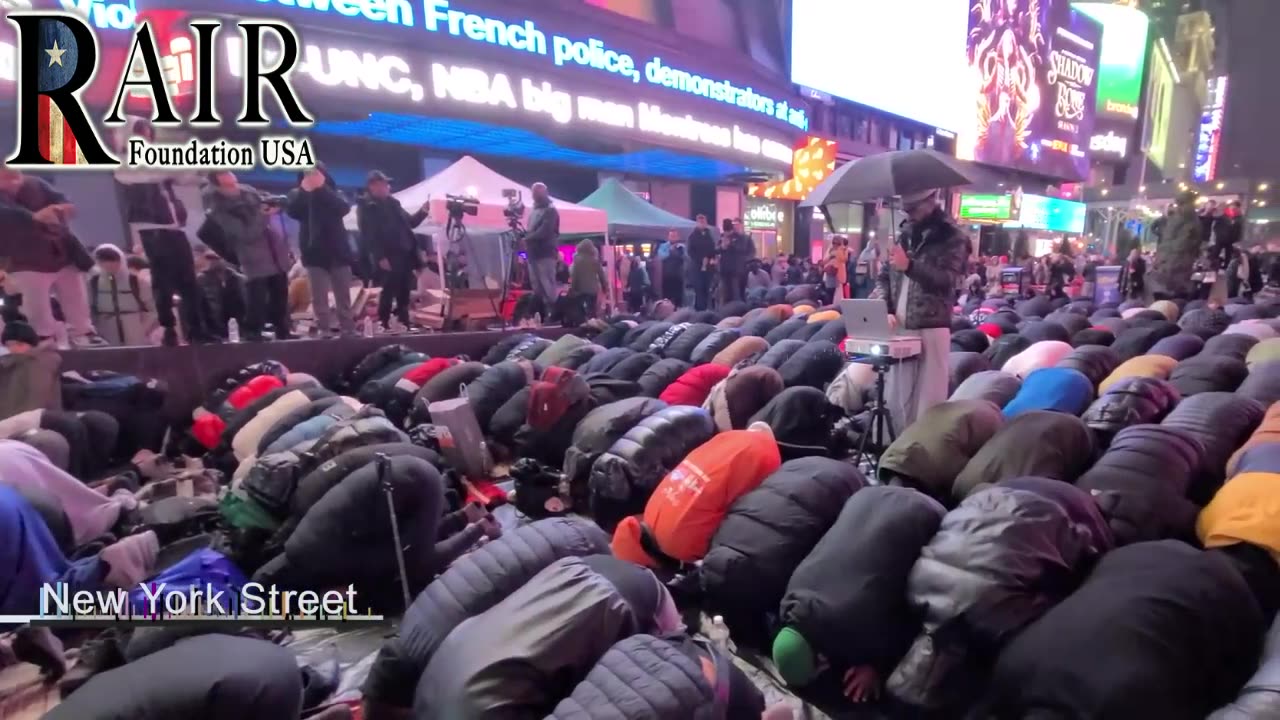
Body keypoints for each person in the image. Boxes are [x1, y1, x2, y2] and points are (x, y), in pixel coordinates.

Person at [113, 117, 213, 346]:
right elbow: (154, 174)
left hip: (173, 225)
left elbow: (181, 177)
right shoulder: (125, 162)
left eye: (148, 132)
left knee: (188, 280)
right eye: (142, 132)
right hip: (152, 227)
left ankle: (196, 329)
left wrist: (201, 173)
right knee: (163, 281)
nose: (147, 136)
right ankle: (169, 329)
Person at [877, 188, 969, 431]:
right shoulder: (904, 234)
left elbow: (950, 281)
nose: (910, 215)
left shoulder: (953, 237)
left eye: (914, 209)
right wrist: (884, 307)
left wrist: (911, 266)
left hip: (932, 325)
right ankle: (895, 447)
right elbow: (885, 277)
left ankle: (922, 452)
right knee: (897, 396)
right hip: (900, 323)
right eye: (906, 210)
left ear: (931, 200)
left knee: (929, 401)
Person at [0, 166, 104, 347]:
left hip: (61, 253)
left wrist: (59, 209)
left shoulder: (35, 183)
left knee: (76, 299)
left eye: (15, 176)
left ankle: (84, 332)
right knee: (36, 308)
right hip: (24, 261)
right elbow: (7, 216)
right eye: (5, 178)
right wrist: (35, 217)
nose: (13, 182)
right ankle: (43, 338)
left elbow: (66, 204)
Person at [201, 171, 292, 341]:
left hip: (274, 249)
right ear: (217, 180)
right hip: (252, 254)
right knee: (256, 296)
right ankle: (253, 333)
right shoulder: (218, 206)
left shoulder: (247, 190)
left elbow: (262, 200)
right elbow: (245, 233)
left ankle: (283, 329)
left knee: (280, 293)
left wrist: (272, 202)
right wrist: (263, 215)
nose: (229, 174)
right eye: (223, 172)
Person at [357, 170, 429, 333]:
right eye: (382, 184)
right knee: (388, 290)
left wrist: (423, 211)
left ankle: (403, 322)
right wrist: (380, 256)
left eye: (387, 184)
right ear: (372, 186)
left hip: (405, 253)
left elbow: (410, 222)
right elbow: (369, 234)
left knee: (404, 290)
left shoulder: (394, 204)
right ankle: (384, 322)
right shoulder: (367, 206)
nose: (386, 187)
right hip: (387, 255)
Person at [288, 164, 354, 337]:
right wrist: (306, 190)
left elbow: (343, 208)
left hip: (338, 252)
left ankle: (348, 329)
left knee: (343, 296)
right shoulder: (298, 194)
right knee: (319, 297)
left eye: (316, 172)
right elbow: (293, 211)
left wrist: (321, 189)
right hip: (313, 253)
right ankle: (324, 329)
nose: (312, 176)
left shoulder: (334, 193)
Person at [88, 244, 154, 346]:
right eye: (103, 261)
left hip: (135, 335)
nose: (109, 266)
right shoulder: (93, 283)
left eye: (114, 261)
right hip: (105, 335)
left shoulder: (136, 282)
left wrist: (143, 329)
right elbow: (88, 310)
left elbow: (152, 309)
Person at [524, 182, 562, 311]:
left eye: (537, 192)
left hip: (545, 253)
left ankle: (553, 312)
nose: (534, 195)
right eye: (534, 192)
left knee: (547, 285)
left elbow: (545, 231)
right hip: (534, 254)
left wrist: (527, 238)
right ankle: (541, 312)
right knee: (537, 286)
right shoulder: (534, 211)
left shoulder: (550, 211)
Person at [197, 249, 246, 337]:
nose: (213, 262)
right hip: (213, 327)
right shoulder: (201, 279)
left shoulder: (238, 279)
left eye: (216, 258)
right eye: (210, 259)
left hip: (237, 325)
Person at [569, 238, 607, 321]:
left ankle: (582, 325)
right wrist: (605, 287)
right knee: (592, 310)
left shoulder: (577, 261)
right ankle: (592, 326)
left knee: (580, 310)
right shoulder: (594, 260)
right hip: (593, 289)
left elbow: (575, 275)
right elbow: (601, 275)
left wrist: (573, 288)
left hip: (580, 289)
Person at [686, 214, 716, 311]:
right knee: (699, 288)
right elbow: (690, 251)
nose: (702, 223)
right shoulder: (693, 236)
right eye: (700, 222)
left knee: (707, 288)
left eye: (704, 221)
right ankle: (699, 309)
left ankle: (707, 308)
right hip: (697, 266)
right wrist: (700, 259)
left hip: (708, 267)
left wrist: (711, 258)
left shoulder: (709, 235)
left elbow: (712, 248)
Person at [718, 219, 748, 305]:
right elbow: (716, 250)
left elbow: (741, 249)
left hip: (735, 270)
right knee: (724, 293)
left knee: (735, 293)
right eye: (725, 231)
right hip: (724, 270)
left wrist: (731, 244)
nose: (727, 233)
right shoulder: (722, 237)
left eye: (728, 231)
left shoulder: (738, 237)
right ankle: (724, 311)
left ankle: (737, 310)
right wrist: (722, 247)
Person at [663, 242, 688, 308]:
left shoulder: (667, 257)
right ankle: (677, 309)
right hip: (677, 278)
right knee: (678, 297)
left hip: (668, 278)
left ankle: (668, 309)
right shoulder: (681, 257)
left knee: (669, 296)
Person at [825, 236, 850, 302]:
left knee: (833, 293)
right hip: (834, 273)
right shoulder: (837, 250)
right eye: (834, 243)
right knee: (833, 294)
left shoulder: (834, 250)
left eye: (837, 243)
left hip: (833, 274)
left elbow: (843, 260)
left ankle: (831, 307)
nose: (835, 244)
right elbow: (844, 259)